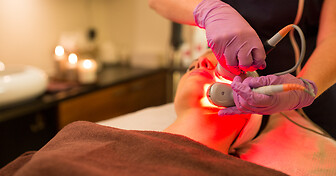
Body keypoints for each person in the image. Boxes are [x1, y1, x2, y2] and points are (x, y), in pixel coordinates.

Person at [148, 0, 336, 145]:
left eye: (196, 67)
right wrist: (209, 10)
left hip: (311, 98)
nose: (203, 62)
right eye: (196, 68)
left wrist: (305, 87)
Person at [0, 51, 287, 176]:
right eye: (197, 63)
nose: (201, 61)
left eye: (227, 67)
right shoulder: (80, 133)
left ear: (254, 103)